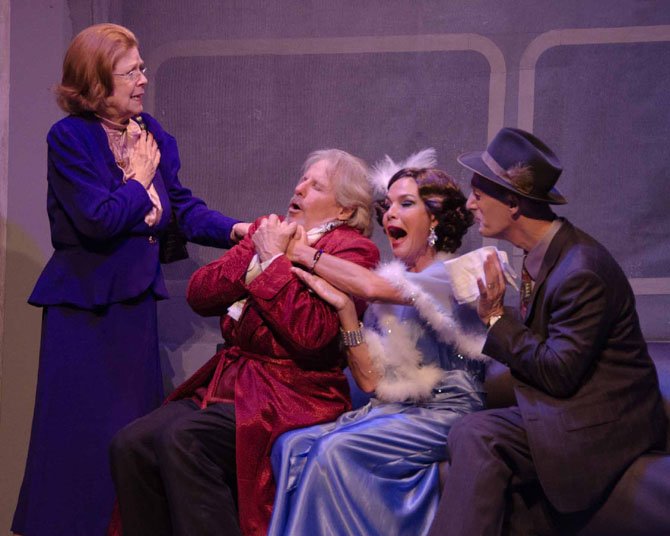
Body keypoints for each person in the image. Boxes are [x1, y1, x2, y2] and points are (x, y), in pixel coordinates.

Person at [11, 23, 247, 536]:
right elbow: (96, 218)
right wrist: (139, 179)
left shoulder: (153, 134)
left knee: (129, 434)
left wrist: (237, 230)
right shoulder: (70, 138)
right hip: (84, 313)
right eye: (131, 71)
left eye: (142, 67)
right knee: (76, 437)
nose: (143, 79)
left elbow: (181, 209)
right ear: (97, 83)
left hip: (134, 310)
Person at [108, 148, 380, 536]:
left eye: (316, 185)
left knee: (183, 440)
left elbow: (312, 335)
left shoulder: (351, 251)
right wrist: (258, 251)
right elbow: (200, 294)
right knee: (130, 444)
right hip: (231, 384)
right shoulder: (268, 232)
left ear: (344, 211)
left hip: (293, 393)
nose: (299, 188)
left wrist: (272, 262)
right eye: (302, 179)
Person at [428, 127, 668, 536]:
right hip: (564, 406)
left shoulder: (582, 271)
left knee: (477, 435)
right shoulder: (542, 257)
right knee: (475, 435)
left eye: (479, 194)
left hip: (602, 423)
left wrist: (494, 319)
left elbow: (559, 371)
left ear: (514, 203)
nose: (470, 205)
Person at [267, 150, 489, 536]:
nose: (388, 214)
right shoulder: (391, 289)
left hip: (447, 414)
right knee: (292, 446)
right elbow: (370, 385)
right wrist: (344, 310)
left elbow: (369, 285)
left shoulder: (453, 276)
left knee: (331, 451)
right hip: (395, 409)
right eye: (387, 205)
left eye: (406, 204)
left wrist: (298, 251)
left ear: (434, 218)